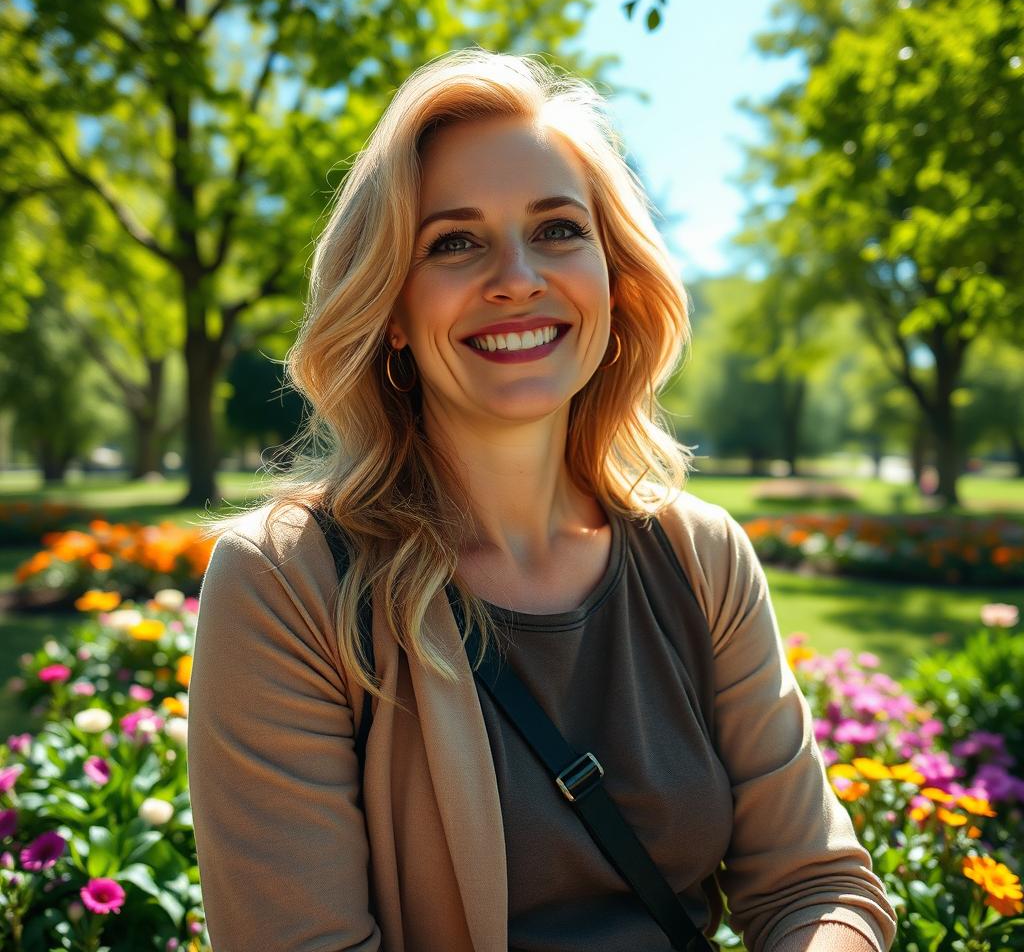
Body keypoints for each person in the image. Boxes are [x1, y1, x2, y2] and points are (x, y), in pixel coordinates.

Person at [186, 48, 898, 952]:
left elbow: (819, 885)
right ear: (391, 312)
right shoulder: (289, 585)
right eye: (454, 241)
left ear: (615, 280)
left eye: (559, 229)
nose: (517, 276)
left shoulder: (701, 556)